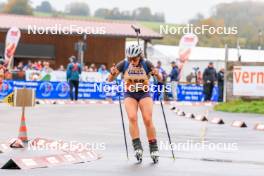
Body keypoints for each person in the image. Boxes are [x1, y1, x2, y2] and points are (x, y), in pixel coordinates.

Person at [108, 44, 162, 163]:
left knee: (147, 119)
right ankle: (137, 147)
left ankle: (153, 147)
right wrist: (112, 73)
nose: (132, 61)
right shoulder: (124, 64)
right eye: (130, 58)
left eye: (135, 58)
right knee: (132, 117)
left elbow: (160, 79)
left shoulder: (147, 64)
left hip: (144, 93)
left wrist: (157, 74)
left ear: (140, 56)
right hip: (130, 94)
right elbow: (110, 79)